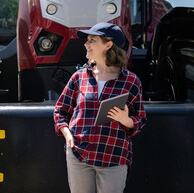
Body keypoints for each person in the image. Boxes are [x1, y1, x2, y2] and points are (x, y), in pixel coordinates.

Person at [53, 22, 147, 193]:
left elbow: (140, 120)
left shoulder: (131, 81)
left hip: (112, 155)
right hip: (78, 155)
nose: (85, 44)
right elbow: (60, 111)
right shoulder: (79, 77)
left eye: (92, 40)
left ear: (108, 44)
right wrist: (67, 135)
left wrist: (126, 120)